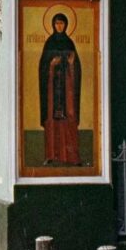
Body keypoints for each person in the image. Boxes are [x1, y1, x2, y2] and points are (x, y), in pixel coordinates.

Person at [38, 13, 82, 165]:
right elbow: (42, 67)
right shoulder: (49, 43)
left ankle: (71, 157)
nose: (59, 26)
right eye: (57, 24)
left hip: (67, 90)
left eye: (62, 24)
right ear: (52, 24)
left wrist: (70, 64)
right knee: (52, 119)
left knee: (68, 118)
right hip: (52, 90)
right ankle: (51, 156)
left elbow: (76, 67)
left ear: (66, 25)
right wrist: (51, 65)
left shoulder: (70, 43)